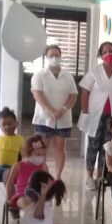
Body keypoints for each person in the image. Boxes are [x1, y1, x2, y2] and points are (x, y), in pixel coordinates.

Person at [79, 41, 112, 191]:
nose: (108, 54)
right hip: (95, 115)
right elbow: (85, 91)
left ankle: (100, 176)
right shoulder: (95, 71)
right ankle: (89, 178)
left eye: (111, 50)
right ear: (101, 55)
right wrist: (85, 111)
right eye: (105, 52)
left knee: (107, 147)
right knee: (93, 146)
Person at [30, 44, 77, 180]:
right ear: (46, 57)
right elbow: (37, 94)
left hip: (63, 118)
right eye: (51, 55)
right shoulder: (39, 75)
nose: (55, 58)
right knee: (41, 148)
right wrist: (51, 111)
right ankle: (41, 174)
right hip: (44, 118)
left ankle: (57, 176)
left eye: (57, 55)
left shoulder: (67, 75)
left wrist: (63, 109)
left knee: (60, 147)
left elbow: (73, 95)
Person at [5, 135, 49, 217]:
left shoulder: (44, 166)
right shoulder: (18, 166)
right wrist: (8, 198)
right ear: (29, 152)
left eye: (43, 155)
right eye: (38, 154)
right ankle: (33, 220)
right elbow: (10, 183)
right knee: (26, 203)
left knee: (44, 205)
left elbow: (48, 183)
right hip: (21, 195)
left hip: (38, 195)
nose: (41, 157)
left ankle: (37, 221)